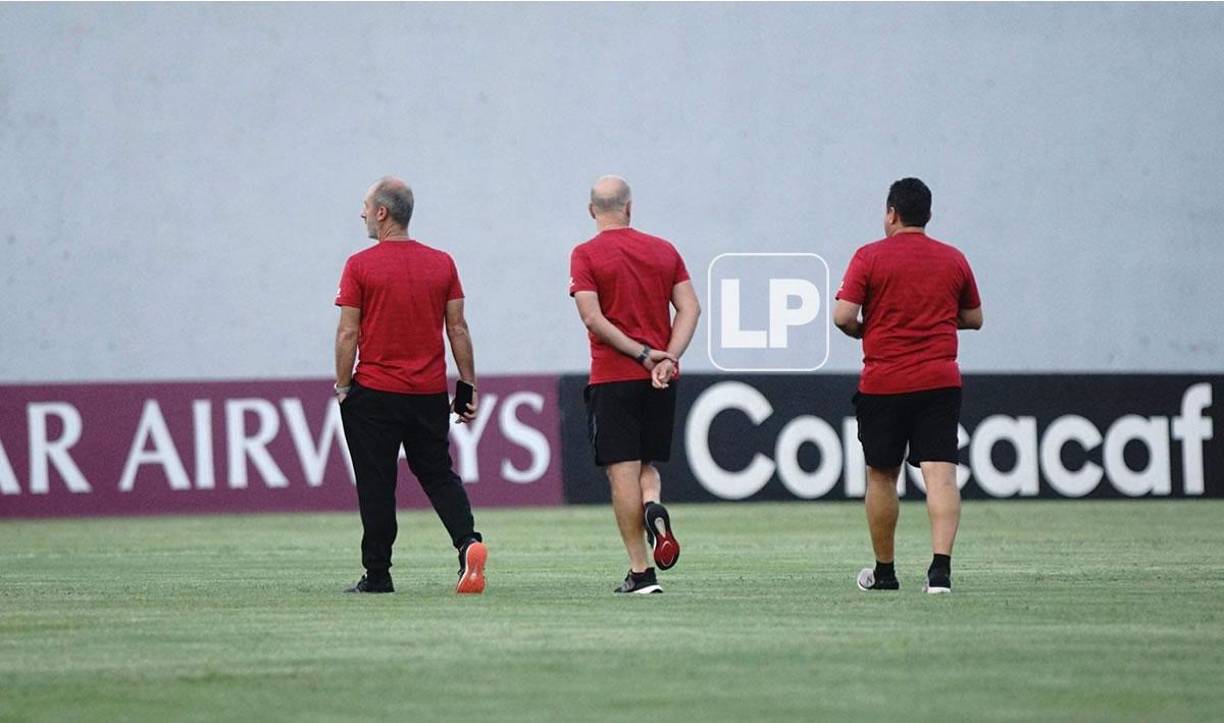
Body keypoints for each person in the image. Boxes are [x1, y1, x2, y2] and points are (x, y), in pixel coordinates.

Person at [333, 176, 487, 595]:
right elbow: (458, 328)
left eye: (366, 206)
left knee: (377, 483)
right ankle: (467, 542)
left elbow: (348, 333)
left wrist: (343, 386)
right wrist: (468, 387)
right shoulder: (442, 263)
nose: (362, 213)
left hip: (375, 393)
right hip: (428, 394)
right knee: (438, 473)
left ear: (382, 212)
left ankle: (378, 575)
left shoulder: (359, 265)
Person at [833, 177, 982, 594]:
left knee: (882, 475)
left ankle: (885, 572)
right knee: (941, 475)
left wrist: (869, 327)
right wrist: (932, 317)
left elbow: (843, 316)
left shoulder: (869, 257)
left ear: (892, 213)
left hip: (885, 381)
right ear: (928, 215)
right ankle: (940, 572)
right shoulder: (953, 259)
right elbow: (974, 317)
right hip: (939, 380)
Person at [568, 175, 701, 594]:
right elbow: (690, 308)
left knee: (621, 472)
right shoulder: (664, 250)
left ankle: (641, 572)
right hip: (659, 381)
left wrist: (643, 355)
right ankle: (652, 508)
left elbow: (592, 318)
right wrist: (668, 357)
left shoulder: (585, 254)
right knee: (647, 467)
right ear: (629, 207)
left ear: (592, 211)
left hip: (614, 377)